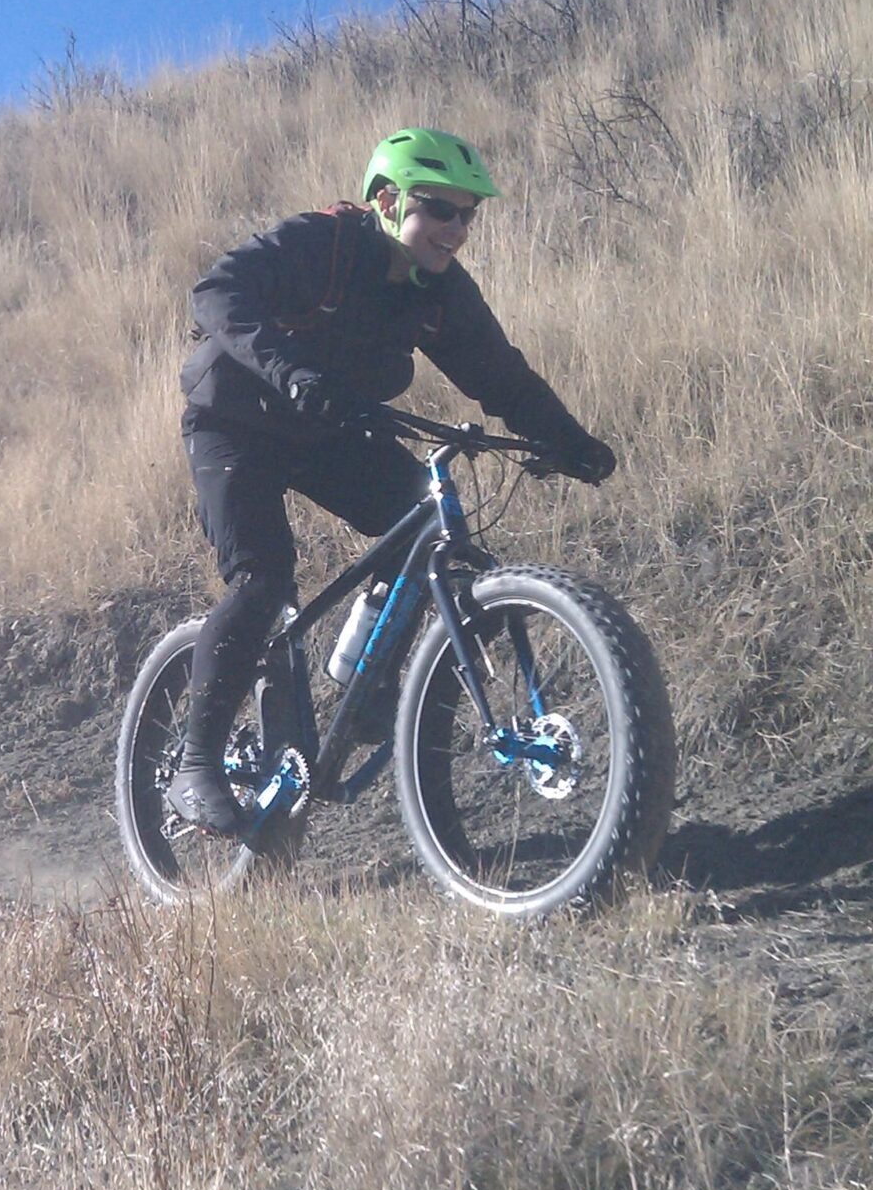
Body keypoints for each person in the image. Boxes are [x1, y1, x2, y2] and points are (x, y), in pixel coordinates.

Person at [167, 127, 617, 836]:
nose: (458, 229)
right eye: (441, 208)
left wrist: (571, 441)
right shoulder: (324, 244)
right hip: (235, 421)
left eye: (470, 214)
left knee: (420, 515)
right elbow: (216, 291)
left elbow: (502, 378)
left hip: (323, 430)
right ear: (386, 199)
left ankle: (367, 683)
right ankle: (196, 765)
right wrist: (291, 372)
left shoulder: (439, 293)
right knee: (263, 579)